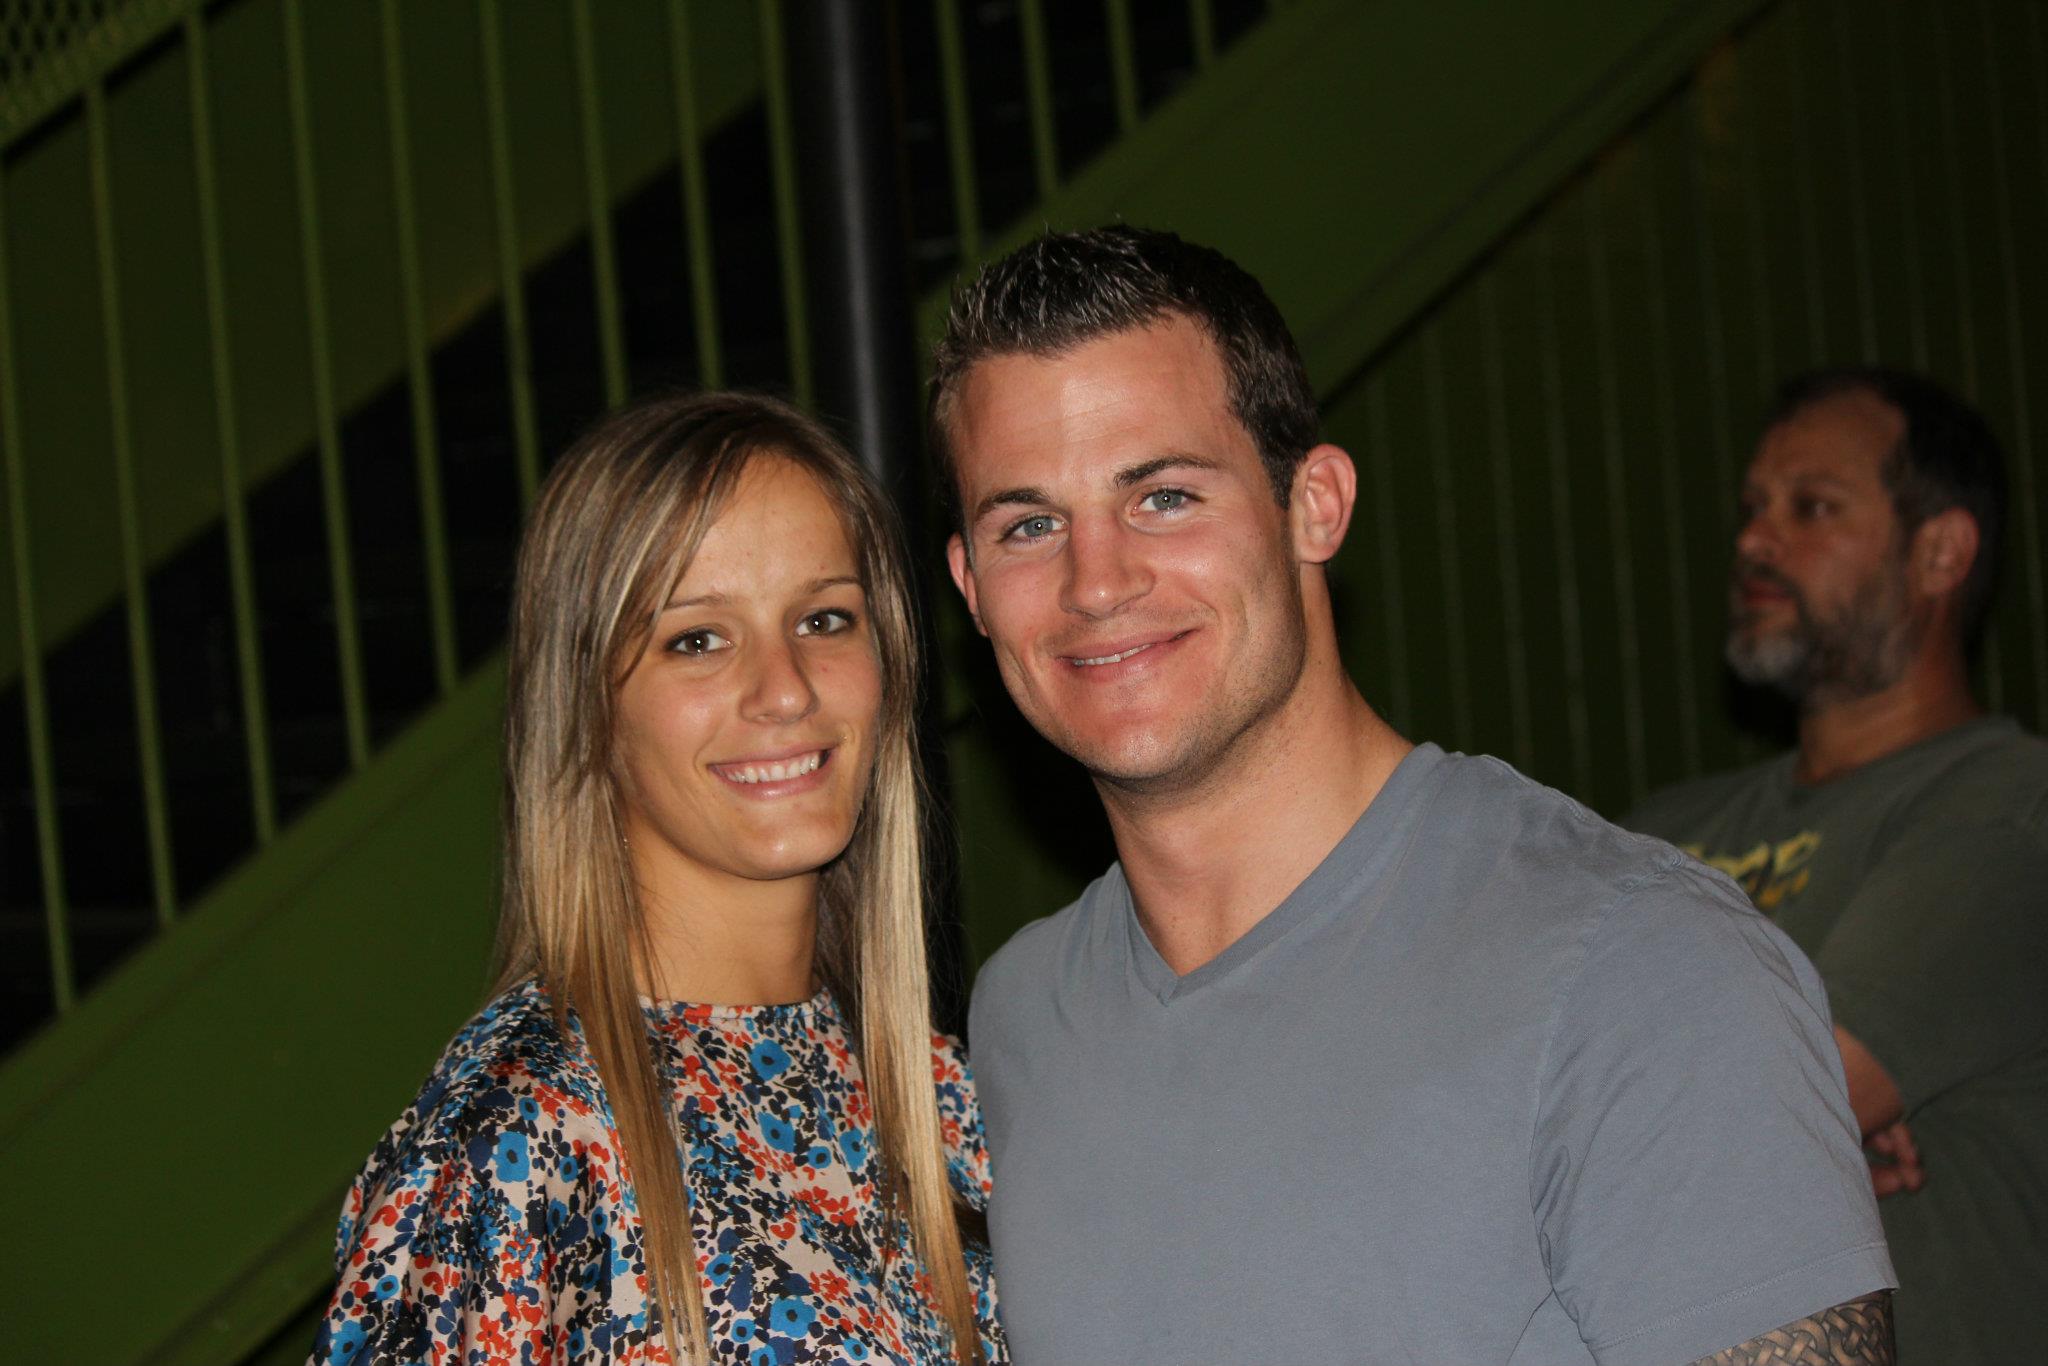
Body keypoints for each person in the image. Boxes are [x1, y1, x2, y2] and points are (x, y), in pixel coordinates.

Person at [931, 226, 1896, 1364]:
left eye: (1165, 497)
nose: (1096, 582)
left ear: (1315, 505)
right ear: (970, 587)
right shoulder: (1019, 1019)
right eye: (1030, 525)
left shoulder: (1642, 964)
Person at [310, 393, 1005, 1365]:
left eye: (824, 619)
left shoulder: (936, 1094)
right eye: (697, 639)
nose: (786, 688)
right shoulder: (526, 1133)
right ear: (588, 705)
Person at [1625, 368, 2048, 1365]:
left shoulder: (2011, 806)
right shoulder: (1653, 831)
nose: (1753, 542)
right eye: (1752, 509)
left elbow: (1776, 1107)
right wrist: (1778, 1114)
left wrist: (1785, 1108)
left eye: (1810, 508)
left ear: (1939, 552)